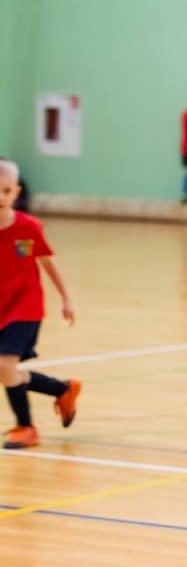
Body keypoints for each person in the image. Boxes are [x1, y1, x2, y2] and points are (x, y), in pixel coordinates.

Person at [0, 159, 81, 450]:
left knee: (4, 365)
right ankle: (62, 388)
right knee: (5, 371)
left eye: (6, 191)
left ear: (16, 193)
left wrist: (66, 297)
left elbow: (47, 260)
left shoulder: (28, 227)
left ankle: (26, 427)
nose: (0, 197)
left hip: (25, 307)